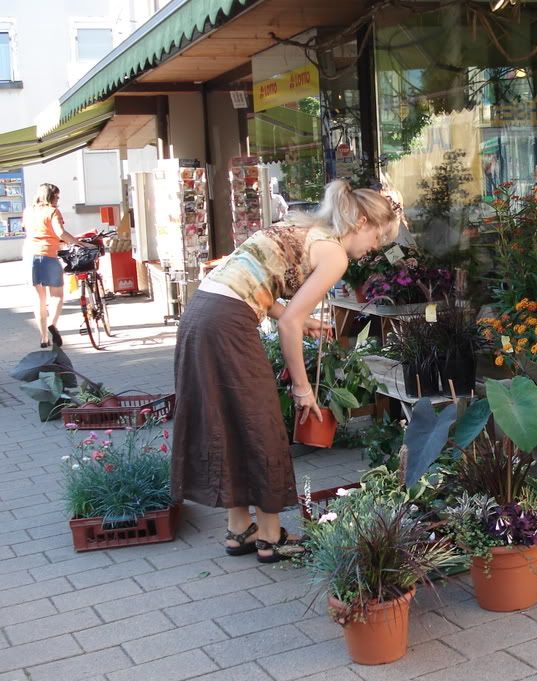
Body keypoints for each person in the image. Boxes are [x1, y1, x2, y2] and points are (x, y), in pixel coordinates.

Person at [171, 179, 400, 563]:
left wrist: (295, 316)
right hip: (227, 323)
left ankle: (239, 527)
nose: (375, 248)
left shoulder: (302, 227)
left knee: (230, 419)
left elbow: (252, 281)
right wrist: (302, 387)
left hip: (200, 315)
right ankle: (271, 537)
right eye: (378, 236)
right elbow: (288, 325)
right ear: (361, 221)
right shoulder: (334, 253)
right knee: (261, 424)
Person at [22, 183, 96, 348]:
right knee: (56, 296)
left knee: (38, 300)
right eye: (57, 196)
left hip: (29, 257)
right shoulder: (52, 211)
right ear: (50, 196)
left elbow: (34, 232)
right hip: (48, 256)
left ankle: (43, 338)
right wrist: (78, 243)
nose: (58, 199)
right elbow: (59, 232)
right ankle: (52, 325)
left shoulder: (28, 211)